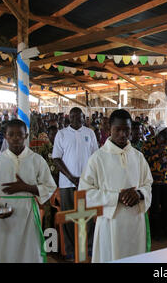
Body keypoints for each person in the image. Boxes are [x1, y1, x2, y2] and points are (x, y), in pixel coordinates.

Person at [79, 110, 153, 262]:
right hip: (110, 222)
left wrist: (139, 194)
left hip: (135, 221)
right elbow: (85, 193)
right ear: (109, 130)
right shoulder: (98, 158)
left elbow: (148, 184)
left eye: (126, 130)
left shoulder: (138, 157)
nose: (122, 134)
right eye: (117, 130)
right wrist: (116, 197)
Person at [0, 119, 56, 262]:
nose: (15, 138)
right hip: (2, 214)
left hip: (28, 213)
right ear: (5, 136)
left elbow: (50, 186)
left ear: (26, 136)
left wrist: (26, 187)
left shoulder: (36, 160)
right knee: (3, 252)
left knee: (28, 252)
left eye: (19, 135)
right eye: (11, 134)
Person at [52, 107, 99, 261]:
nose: (76, 119)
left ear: (83, 118)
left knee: (90, 214)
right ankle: (71, 250)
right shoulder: (62, 134)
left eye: (79, 117)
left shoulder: (90, 133)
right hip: (67, 183)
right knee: (69, 217)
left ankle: (90, 247)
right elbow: (56, 158)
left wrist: (86, 178)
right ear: (69, 118)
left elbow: (95, 157)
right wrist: (72, 177)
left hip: (87, 183)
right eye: (73, 117)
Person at [143, 123, 167, 240]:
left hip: (166, 181)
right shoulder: (149, 144)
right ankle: (156, 233)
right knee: (154, 209)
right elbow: (144, 161)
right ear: (159, 136)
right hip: (153, 182)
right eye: (166, 136)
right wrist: (157, 154)